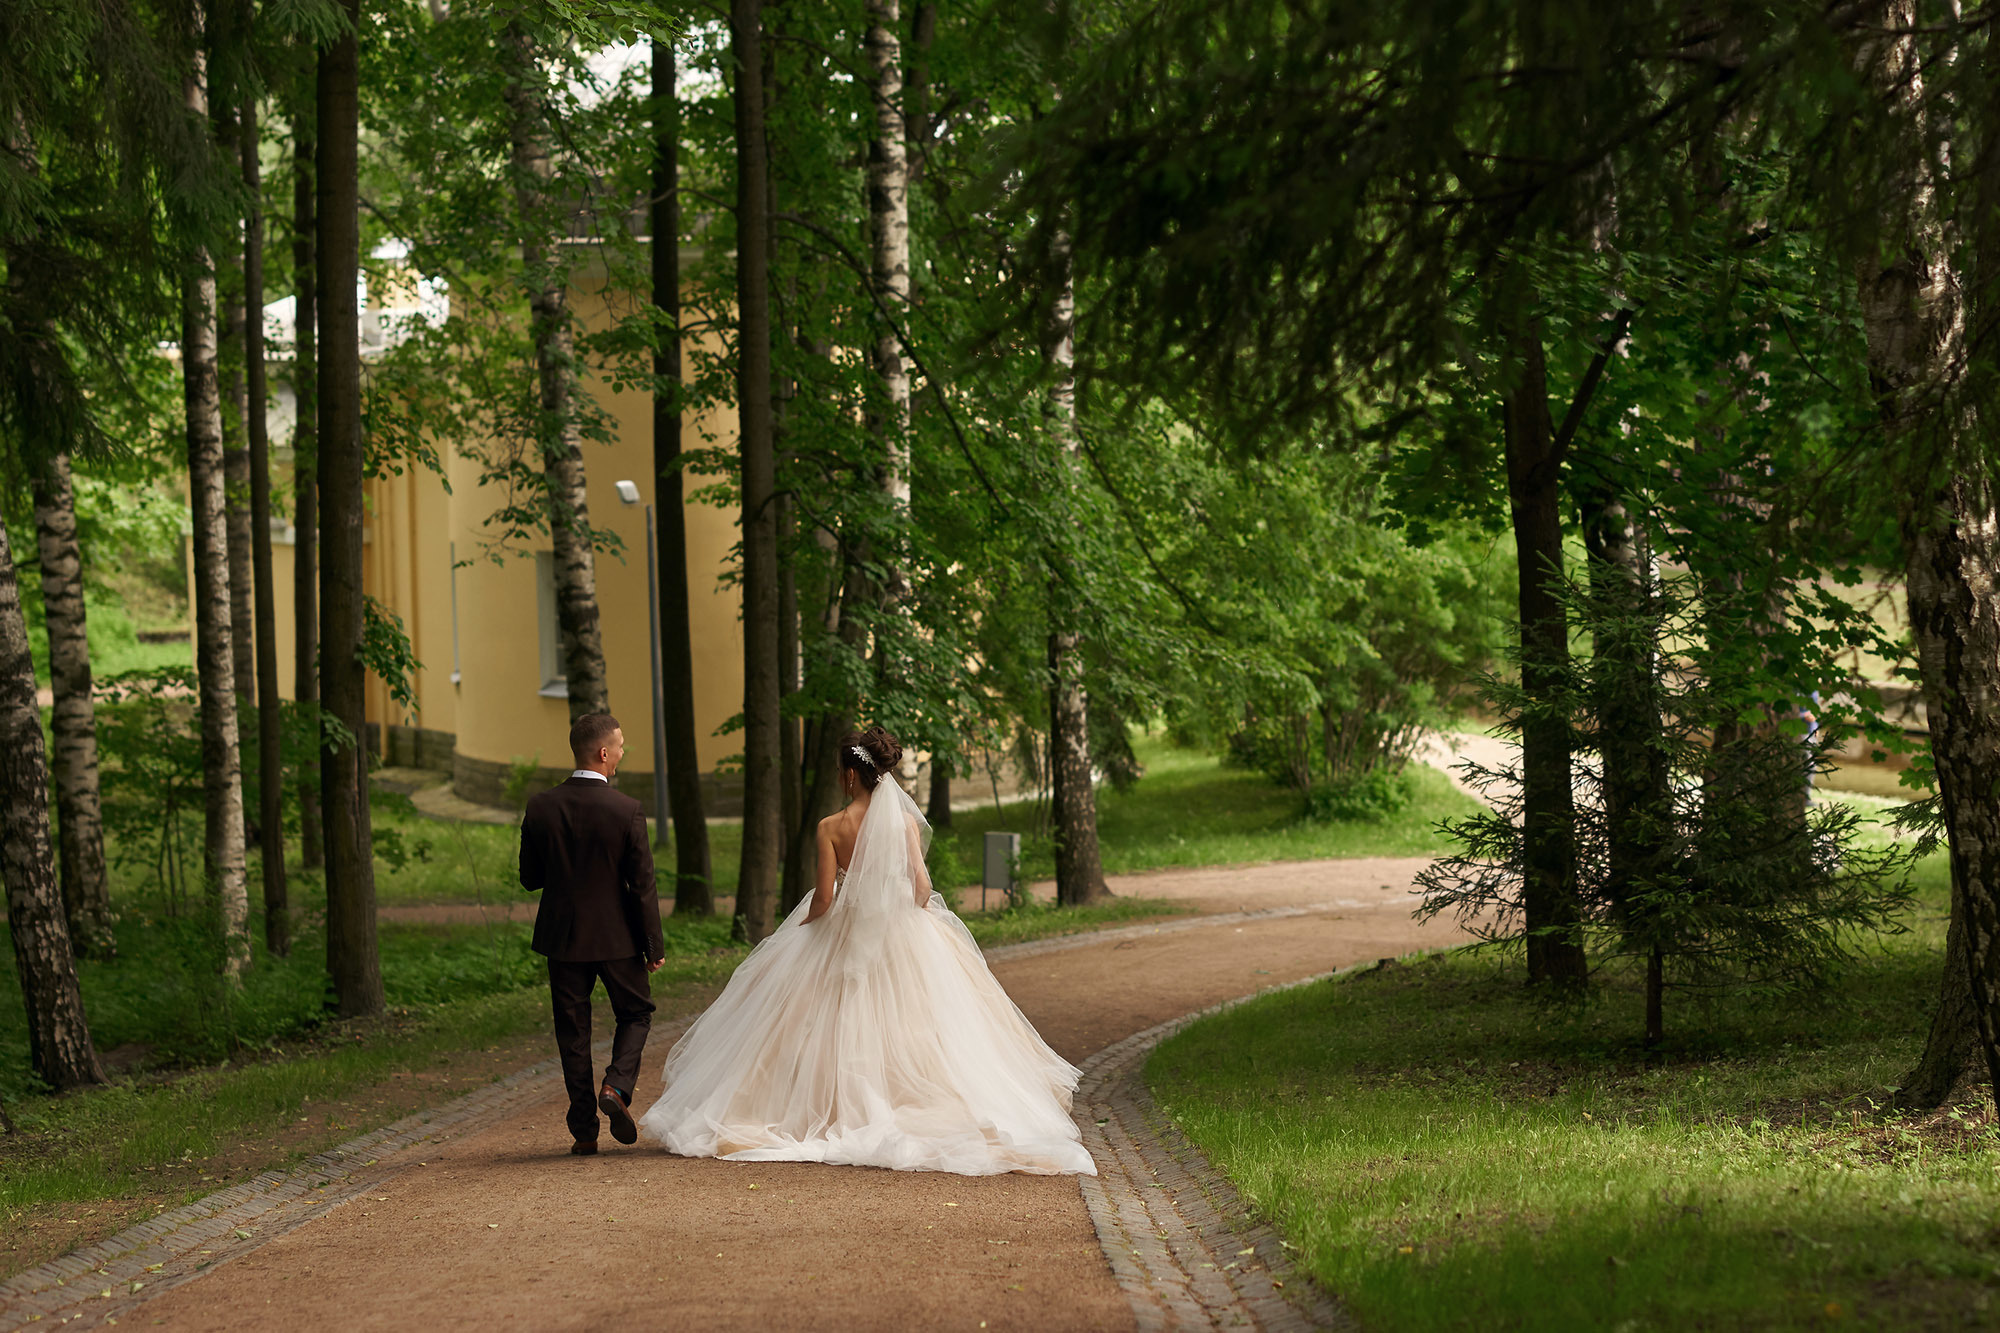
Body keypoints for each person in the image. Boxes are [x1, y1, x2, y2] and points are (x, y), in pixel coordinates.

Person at [638, 726, 1094, 1176]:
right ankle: (914, 1101)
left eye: (841, 771)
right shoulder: (903, 822)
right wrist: (903, 916)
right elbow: (922, 886)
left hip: (847, 931)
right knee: (919, 1026)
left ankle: (826, 1108)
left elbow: (823, 899)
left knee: (821, 1020)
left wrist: (798, 931)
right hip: (901, 932)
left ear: (850, 776)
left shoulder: (831, 827)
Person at [518, 713, 665, 1156]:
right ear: (604, 753)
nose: (622, 753)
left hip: (562, 937)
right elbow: (642, 885)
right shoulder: (626, 810)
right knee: (636, 1013)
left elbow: (529, 878)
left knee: (572, 1031)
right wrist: (652, 945)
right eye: (620, 746)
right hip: (617, 937)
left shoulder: (540, 806)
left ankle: (584, 1130)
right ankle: (617, 1088)